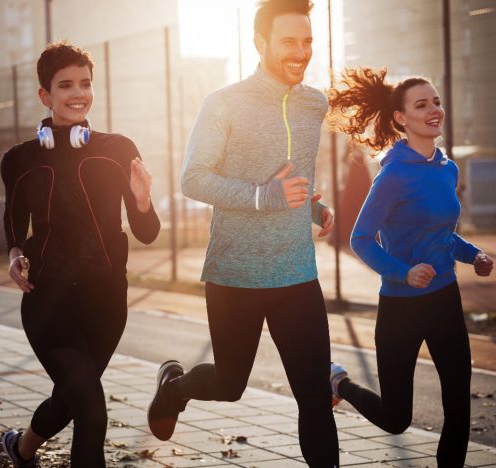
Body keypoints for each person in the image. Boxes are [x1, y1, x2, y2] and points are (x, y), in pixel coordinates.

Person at [147, 1, 339, 466]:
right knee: (231, 386)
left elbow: (293, 174)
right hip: (235, 274)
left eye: (308, 41)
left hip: (296, 273)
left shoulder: (315, 103)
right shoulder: (224, 103)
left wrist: (311, 206)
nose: (301, 52)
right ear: (260, 43)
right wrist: (265, 197)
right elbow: (193, 178)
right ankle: (175, 386)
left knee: (314, 396)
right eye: (289, 41)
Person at [0, 41, 160, 468]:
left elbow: (147, 233)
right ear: (45, 95)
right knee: (91, 408)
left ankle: (21, 448)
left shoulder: (118, 149)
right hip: (47, 300)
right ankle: (24, 448)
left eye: (85, 84)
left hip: (106, 302)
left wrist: (143, 202)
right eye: (65, 84)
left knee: (72, 396)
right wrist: (15, 251)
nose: (78, 93)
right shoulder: (20, 160)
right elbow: (14, 217)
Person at [328, 67, 494, 467]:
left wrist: (473, 255)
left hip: (445, 300)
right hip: (402, 308)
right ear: (401, 118)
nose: (434, 109)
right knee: (397, 418)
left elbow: (440, 233)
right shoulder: (393, 176)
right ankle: (339, 383)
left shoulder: (446, 169)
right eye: (422, 104)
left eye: (435, 101)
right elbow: (361, 239)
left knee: (459, 405)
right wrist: (403, 272)